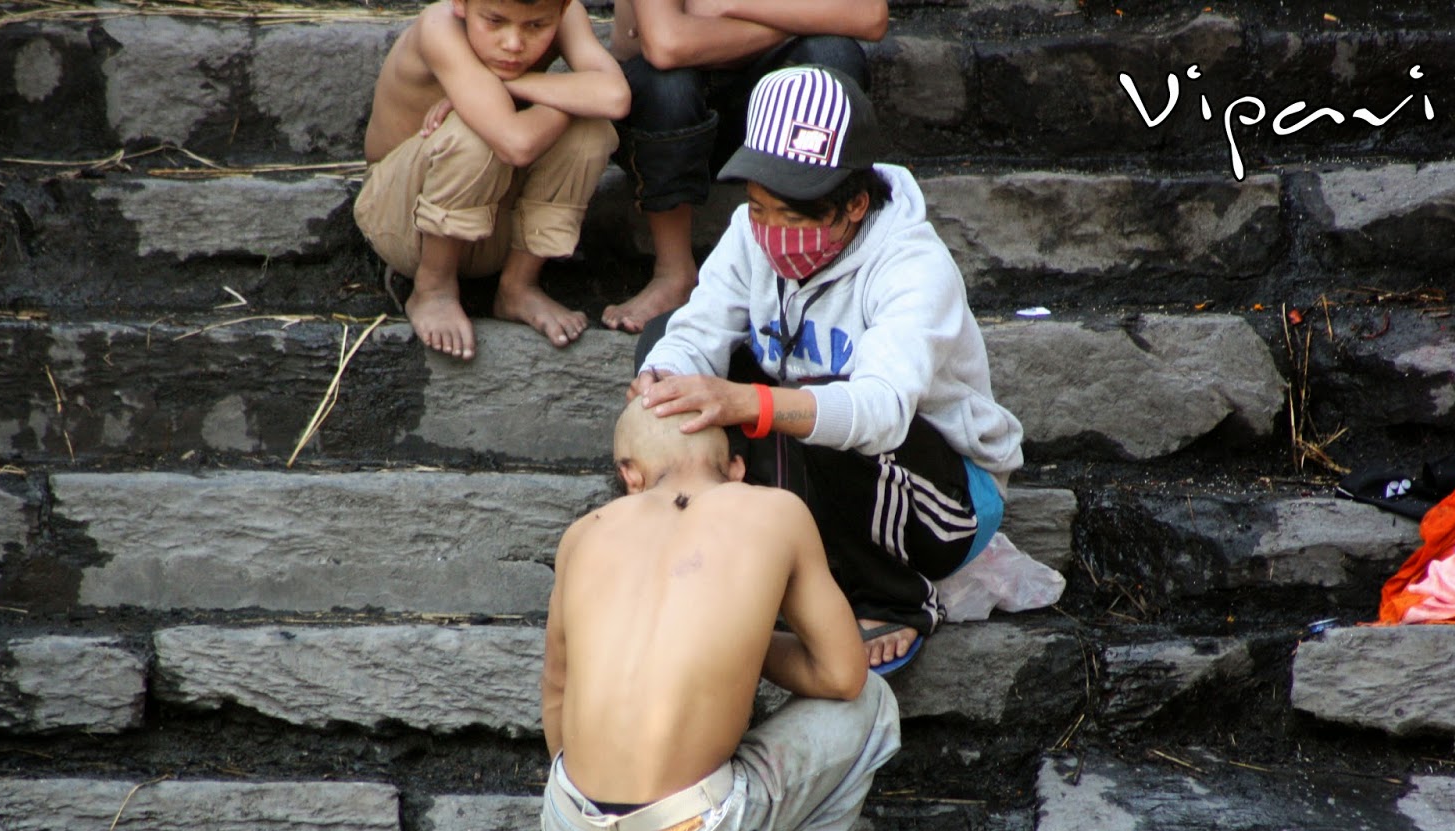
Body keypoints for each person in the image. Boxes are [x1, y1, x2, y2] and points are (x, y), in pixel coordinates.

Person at [629, 64, 1025, 675]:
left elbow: (881, 411)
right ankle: (720, 548)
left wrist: (751, 403)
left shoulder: (913, 267)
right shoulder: (749, 234)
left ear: (854, 204)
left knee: (833, 408)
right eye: (758, 208)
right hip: (811, 471)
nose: (770, 232)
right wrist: (663, 379)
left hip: (937, 499)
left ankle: (893, 596)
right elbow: (698, 330)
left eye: (793, 217)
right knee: (665, 346)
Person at [539, 398, 901, 831]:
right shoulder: (775, 511)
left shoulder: (583, 535)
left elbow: (556, 694)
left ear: (629, 475)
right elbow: (845, 676)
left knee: (622, 787)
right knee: (873, 706)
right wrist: (742, 638)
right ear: (736, 468)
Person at [354, 0, 629, 360]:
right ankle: (433, 289)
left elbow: (615, 97)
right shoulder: (440, 25)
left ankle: (518, 286)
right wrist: (572, 98)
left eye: (536, 27)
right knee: (477, 131)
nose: (513, 44)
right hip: (405, 222)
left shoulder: (563, 11)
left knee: (590, 131)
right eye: (495, 21)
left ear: (560, 11)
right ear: (461, 3)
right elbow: (516, 143)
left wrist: (512, 85)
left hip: (492, 222)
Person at [599, 0, 887, 334]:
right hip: (671, 119)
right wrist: (807, 18)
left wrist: (727, 5)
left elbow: (869, 15)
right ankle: (673, 272)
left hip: (774, 119)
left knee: (833, 53)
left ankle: (824, 261)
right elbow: (667, 45)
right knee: (667, 83)